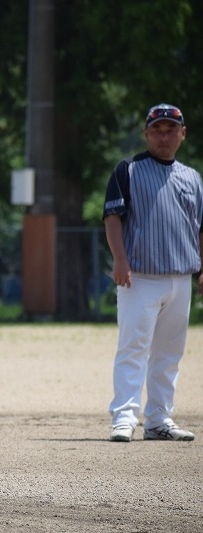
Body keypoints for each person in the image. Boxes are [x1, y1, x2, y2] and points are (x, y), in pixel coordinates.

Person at [102, 103, 203, 443]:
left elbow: (200, 228)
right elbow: (112, 217)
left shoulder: (193, 178)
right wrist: (120, 260)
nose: (163, 136)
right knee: (133, 347)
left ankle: (159, 418)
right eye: (157, 129)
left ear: (182, 134)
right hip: (139, 276)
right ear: (146, 134)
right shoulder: (128, 170)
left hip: (180, 278)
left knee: (169, 353)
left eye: (170, 129)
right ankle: (124, 418)